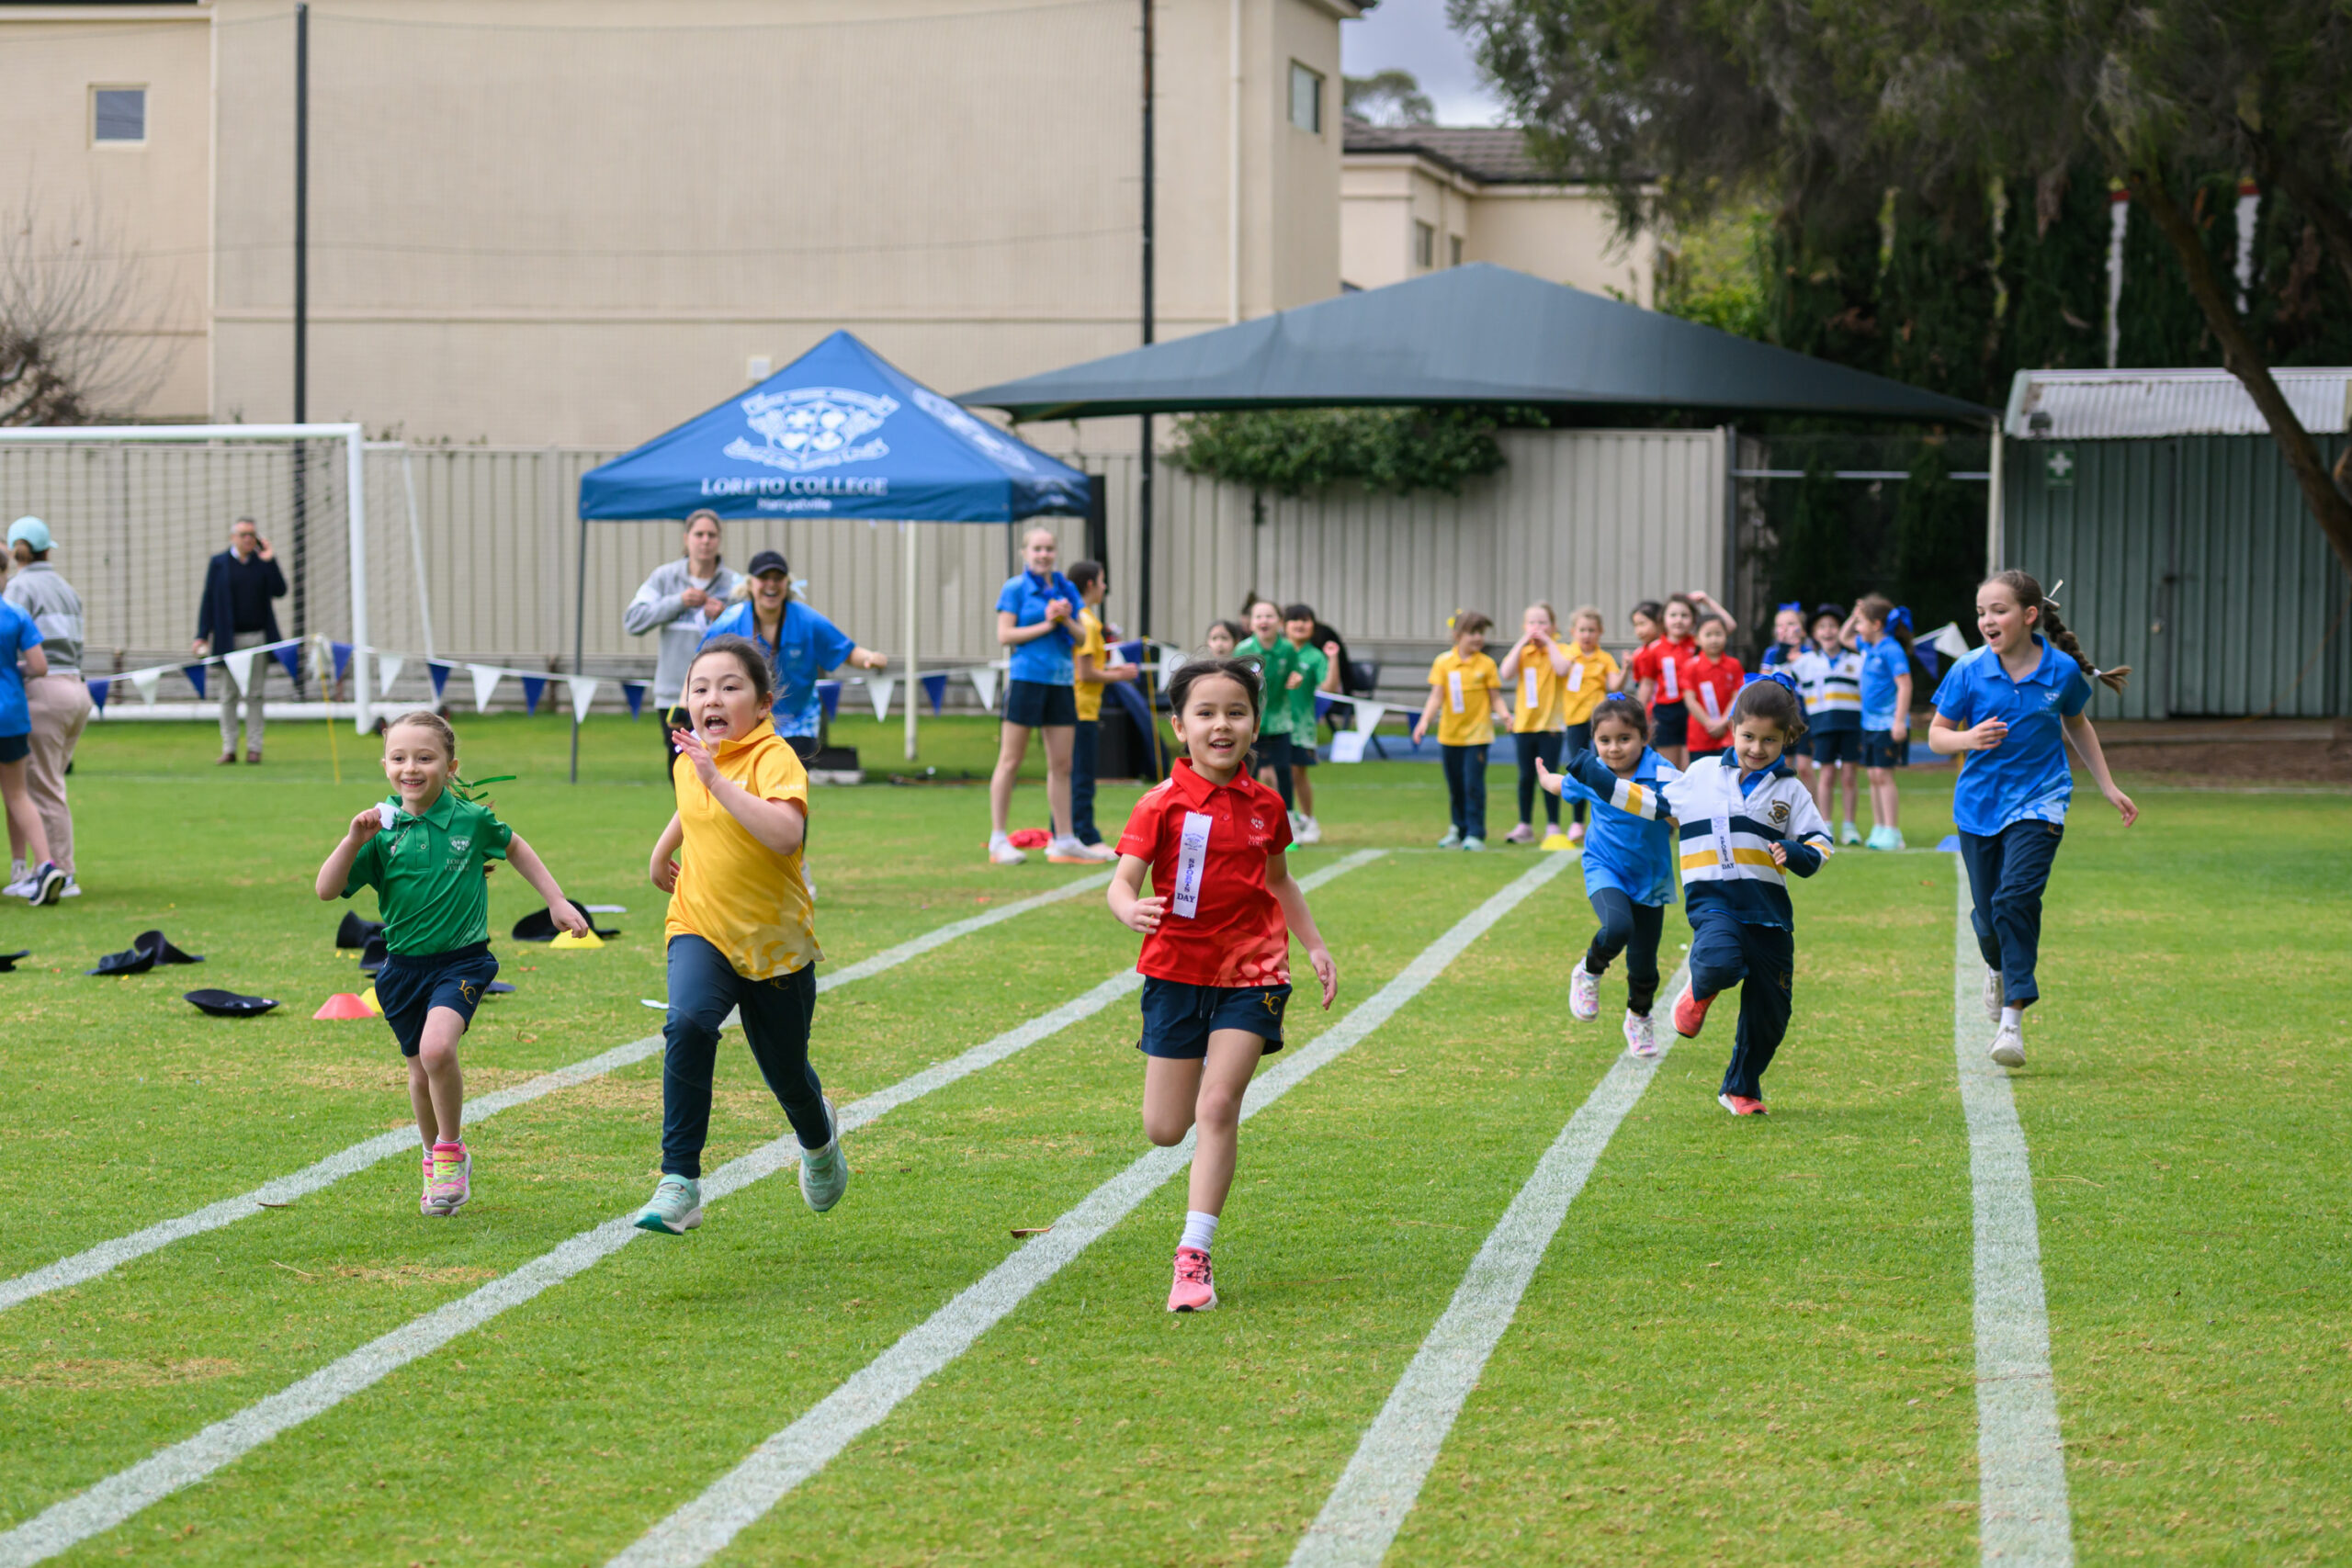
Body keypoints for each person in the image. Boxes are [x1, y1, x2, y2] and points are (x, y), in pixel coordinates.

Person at [1110, 656, 1337, 1313]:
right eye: (1206, 713)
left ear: (1254, 725)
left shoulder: (1267, 804)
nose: (1222, 725)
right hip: (1175, 972)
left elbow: (1279, 881)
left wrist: (1314, 945)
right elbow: (1122, 881)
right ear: (1180, 726)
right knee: (1164, 1127)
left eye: (1236, 712)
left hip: (1254, 971)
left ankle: (1194, 1254)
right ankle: (1195, 1078)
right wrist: (1129, 909)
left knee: (1217, 1105)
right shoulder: (1159, 802)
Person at [315, 712, 588, 1215]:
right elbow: (326, 890)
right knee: (420, 1073)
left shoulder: (471, 820)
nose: (411, 768)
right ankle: (433, 1159)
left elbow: (515, 847)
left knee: (437, 1050)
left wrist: (556, 901)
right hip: (401, 969)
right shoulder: (380, 831)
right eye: (399, 758)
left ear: (451, 766)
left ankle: (450, 1149)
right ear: (385, 766)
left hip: (462, 962)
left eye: (425, 757)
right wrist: (353, 839)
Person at [1543, 674, 1834, 1115]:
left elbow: (1820, 842)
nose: (1756, 748)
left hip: (1770, 913)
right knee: (1718, 961)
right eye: (1748, 736)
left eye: (1769, 740)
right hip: (1715, 901)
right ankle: (1698, 990)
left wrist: (1796, 852)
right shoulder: (1701, 775)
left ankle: (1740, 1089)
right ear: (1733, 728)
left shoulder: (1791, 791)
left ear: (1787, 738)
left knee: (1771, 1014)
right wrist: (1594, 774)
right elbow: (1650, 802)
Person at [634, 637, 848, 1234]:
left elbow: (784, 833)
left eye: (730, 686)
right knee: (687, 1023)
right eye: (700, 687)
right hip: (699, 923)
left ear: (763, 703)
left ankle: (819, 1141)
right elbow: (692, 803)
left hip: (774, 942)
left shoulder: (775, 758)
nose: (712, 697)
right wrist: (661, 851)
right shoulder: (691, 756)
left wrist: (716, 778)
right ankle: (679, 1181)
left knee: (788, 1076)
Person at [1929, 571, 2136, 1070]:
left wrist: (2107, 786)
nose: (1986, 620)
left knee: (2015, 900)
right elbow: (1937, 735)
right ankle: (1997, 969)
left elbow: (2077, 724)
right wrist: (1968, 739)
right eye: (1981, 612)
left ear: (2028, 616)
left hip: (2041, 801)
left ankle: (2012, 1023)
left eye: (1997, 610)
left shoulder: (2062, 671)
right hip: (1978, 809)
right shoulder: (1967, 670)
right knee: (1987, 919)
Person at [1550, 694, 1679, 1055]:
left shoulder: (1662, 772)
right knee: (1618, 926)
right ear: (1593, 740)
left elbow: (1684, 813)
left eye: (1624, 739)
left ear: (1644, 737)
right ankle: (1589, 970)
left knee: (1644, 966)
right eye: (1604, 740)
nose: (1614, 748)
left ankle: (1639, 1018)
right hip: (1604, 867)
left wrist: (1661, 807)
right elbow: (1563, 786)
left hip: (1650, 877)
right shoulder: (1594, 771)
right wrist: (1544, 776)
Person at [702, 549, 887, 763]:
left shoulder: (807, 619)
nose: (771, 584)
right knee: (747, 781)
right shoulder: (730, 620)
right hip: (746, 722)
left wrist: (869, 658)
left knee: (790, 780)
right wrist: (685, 702)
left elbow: (846, 650)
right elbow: (701, 662)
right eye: (764, 578)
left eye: (778, 578)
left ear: (787, 584)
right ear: (750, 584)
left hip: (799, 722)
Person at [988, 526, 1089, 866]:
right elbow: (1005, 635)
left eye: (1049, 549)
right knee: (1010, 759)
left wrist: (1065, 619)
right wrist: (1047, 623)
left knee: (1062, 764)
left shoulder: (1065, 588)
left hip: (1061, 681)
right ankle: (998, 838)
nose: (1043, 555)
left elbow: (1081, 637)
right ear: (1025, 552)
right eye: (1037, 549)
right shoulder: (1015, 588)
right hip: (1026, 679)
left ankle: (1064, 839)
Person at [4, 517, 87, 898]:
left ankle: (59, 872)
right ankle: (35, 869)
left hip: (44, 691)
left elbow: (15, 645)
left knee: (41, 788)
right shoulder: (67, 588)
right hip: (76, 689)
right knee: (43, 784)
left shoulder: (19, 588)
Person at [623, 509, 741, 772]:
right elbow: (632, 620)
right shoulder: (664, 578)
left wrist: (725, 616)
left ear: (719, 539)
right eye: (699, 534)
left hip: (720, 697)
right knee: (679, 769)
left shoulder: (735, 584)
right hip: (673, 695)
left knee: (721, 768)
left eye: (711, 535)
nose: (705, 540)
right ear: (686, 539)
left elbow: (752, 636)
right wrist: (678, 602)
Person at [194, 515, 287, 765]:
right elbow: (208, 601)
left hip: (258, 638)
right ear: (233, 537)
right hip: (228, 640)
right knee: (228, 695)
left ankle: (255, 748)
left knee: (255, 694)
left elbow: (280, 590)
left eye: (252, 535)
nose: (248, 539)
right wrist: (201, 635)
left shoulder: (262, 563)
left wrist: (270, 560)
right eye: (243, 535)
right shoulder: (219, 564)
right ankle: (229, 748)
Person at [1412, 611, 1510, 851]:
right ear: (1457, 635)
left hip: (1478, 736)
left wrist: (1506, 715)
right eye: (1472, 633)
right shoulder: (1443, 662)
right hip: (1449, 735)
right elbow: (1436, 696)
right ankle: (1458, 828)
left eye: (1481, 633)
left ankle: (1476, 832)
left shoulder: (1486, 664)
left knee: (1473, 784)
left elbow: (1495, 697)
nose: (1478, 638)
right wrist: (1424, 721)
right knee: (1455, 785)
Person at [1068, 559, 1137, 858]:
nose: (1105, 587)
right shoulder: (1086, 622)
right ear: (1090, 584)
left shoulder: (1082, 619)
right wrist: (1118, 675)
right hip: (1081, 708)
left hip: (1080, 707)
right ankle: (1085, 836)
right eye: (1102, 580)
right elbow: (1085, 673)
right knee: (1082, 776)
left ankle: (1065, 833)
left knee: (1071, 774)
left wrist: (1112, 670)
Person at [0, 590, 64, 905]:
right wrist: (13, 670)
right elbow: (39, 666)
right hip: (10, 713)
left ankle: (22, 868)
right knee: (17, 795)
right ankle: (44, 866)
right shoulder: (15, 614)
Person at [1497, 602, 1571, 847]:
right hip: (1524, 726)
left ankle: (1553, 825)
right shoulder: (1524, 653)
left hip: (1551, 727)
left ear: (1553, 626)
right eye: (1532, 623)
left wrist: (1548, 642)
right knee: (1525, 776)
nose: (1537, 627)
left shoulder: (1560, 650)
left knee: (1549, 776)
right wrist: (1522, 642)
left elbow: (1562, 669)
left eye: (1542, 623)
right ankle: (1524, 824)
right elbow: (1506, 672)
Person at [1848, 594, 1916, 849]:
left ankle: (1892, 830)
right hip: (1869, 724)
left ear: (1876, 625)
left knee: (1884, 776)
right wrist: (1855, 615)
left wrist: (1899, 722)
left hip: (1887, 724)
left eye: (1861, 622)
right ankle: (1879, 828)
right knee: (1873, 775)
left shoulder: (1891, 649)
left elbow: (1905, 685)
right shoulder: (1868, 647)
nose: (1857, 628)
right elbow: (1844, 638)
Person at [1795, 604, 1864, 844]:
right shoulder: (1805, 662)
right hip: (1822, 725)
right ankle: (1825, 824)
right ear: (1814, 634)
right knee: (1826, 775)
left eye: (1833, 626)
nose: (1828, 631)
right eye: (1822, 627)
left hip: (1851, 724)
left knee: (1849, 775)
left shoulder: (1857, 661)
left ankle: (1849, 826)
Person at [1554, 605, 1622, 847]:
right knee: (1579, 769)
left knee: (1604, 766)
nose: (1587, 635)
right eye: (1582, 630)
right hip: (1574, 721)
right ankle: (1577, 821)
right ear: (1573, 631)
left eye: (1592, 630)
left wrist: (1626, 669)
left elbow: (1615, 685)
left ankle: (1608, 818)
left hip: (1598, 723)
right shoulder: (1567, 654)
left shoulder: (1605, 659)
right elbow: (1558, 669)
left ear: (1600, 632)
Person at [1279, 603, 1339, 843]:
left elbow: (1329, 688)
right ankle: (1282, 820)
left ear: (1313, 626)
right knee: (1269, 773)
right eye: (1294, 620)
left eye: (1305, 620)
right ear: (1284, 625)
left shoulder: (1315, 656)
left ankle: (1307, 819)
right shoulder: (1277, 652)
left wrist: (1333, 658)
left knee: (1297, 772)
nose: (1300, 624)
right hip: (1273, 724)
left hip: (1301, 726)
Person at [1234, 599, 1298, 816]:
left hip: (1280, 719)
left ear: (1280, 622)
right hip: (1252, 720)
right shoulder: (1243, 649)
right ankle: (1246, 814)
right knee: (1249, 770)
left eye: (1269, 616)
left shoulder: (1288, 648)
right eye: (1259, 616)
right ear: (1251, 623)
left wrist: (1296, 679)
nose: (1264, 620)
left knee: (1283, 768)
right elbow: (1234, 683)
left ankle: (1289, 816)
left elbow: (1295, 672)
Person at [1679, 615, 1746, 761]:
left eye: (1718, 634)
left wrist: (1723, 722)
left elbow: (1738, 696)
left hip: (1729, 732)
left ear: (1726, 636)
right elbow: (1690, 700)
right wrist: (1709, 723)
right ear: (1697, 639)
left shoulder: (1734, 665)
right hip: (1700, 735)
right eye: (1708, 635)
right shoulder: (1691, 666)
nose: (1714, 639)